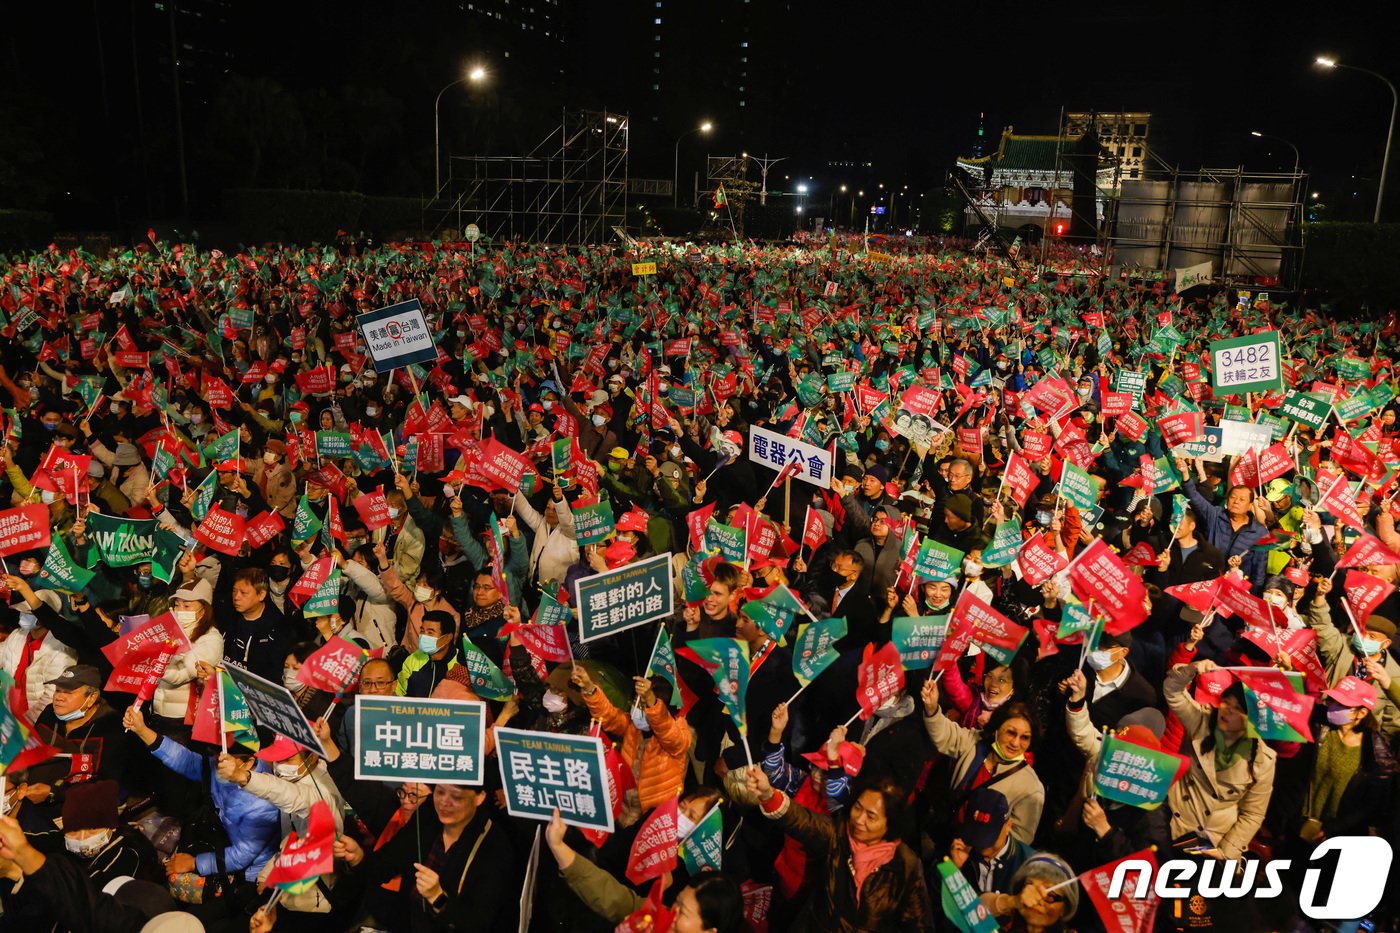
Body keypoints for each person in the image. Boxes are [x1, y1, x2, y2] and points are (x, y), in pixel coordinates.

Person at [746, 768, 933, 931]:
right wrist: (768, 795)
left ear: (889, 824)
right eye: (858, 808)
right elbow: (802, 821)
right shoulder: (839, 835)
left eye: (871, 816)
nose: (859, 820)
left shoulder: (906, 865)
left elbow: (919, 923)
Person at [332, 783, 516, 932]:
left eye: (456, 796)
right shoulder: (428, 815)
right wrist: (358, 857)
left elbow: (477, 923)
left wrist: (437, 897)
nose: (444, 802)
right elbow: (385, 864)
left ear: (479, 797)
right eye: (440, 791)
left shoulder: (495, 847)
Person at [545, 808, 745, 932]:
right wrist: (559, 847)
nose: (671, 913)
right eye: (676, 902)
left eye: (683, 912)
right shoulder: (657, 917)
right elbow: (614, 898)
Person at [1162, 659, 1276, 860]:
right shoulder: (1202, 721)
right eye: (1226, 702)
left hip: (1214, 840)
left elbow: (1253, 814)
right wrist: (1191, 669)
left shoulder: (1262, 759)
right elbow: (1173, 691)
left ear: (1252, 719)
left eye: (1237, 708)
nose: (1227, 710)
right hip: (1176, 822)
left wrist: (1225, 852)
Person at [922, 676, 1044, 845]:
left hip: (976, 859)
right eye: (1011, 733)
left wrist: (980, 847)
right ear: (996, 728)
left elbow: (1020, 840)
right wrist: (932, 708)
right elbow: (945, 734)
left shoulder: (1031, 787)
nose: (1016, 743)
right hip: (944, 837)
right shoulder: (975, 742)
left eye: (1025, 737)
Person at [979, 853, 1081, 933]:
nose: (1038, 900)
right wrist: (1012, 901)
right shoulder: (1003, 917)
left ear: (1064, 909)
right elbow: (974, 908)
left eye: (1050, 895)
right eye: (1030, 887)